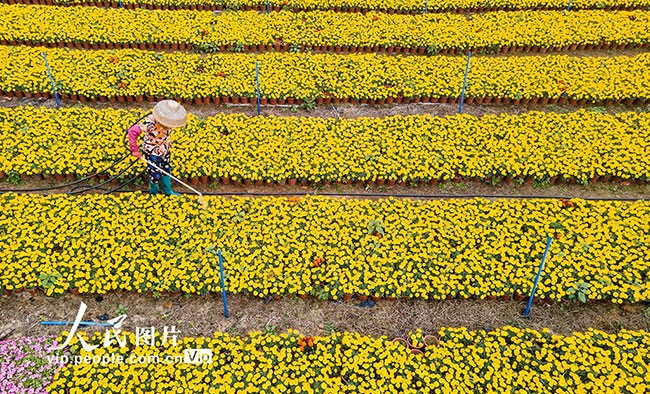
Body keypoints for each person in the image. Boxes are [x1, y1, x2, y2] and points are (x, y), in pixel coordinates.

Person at [128, 100, 187, 196]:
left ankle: (167, 191)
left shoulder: (171, 120)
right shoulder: (150, 123)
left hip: (164, 149)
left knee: (166, 169)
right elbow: (132, 131)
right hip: (152, 152)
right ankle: (154, 193)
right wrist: (135, 150)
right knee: (155, 173)